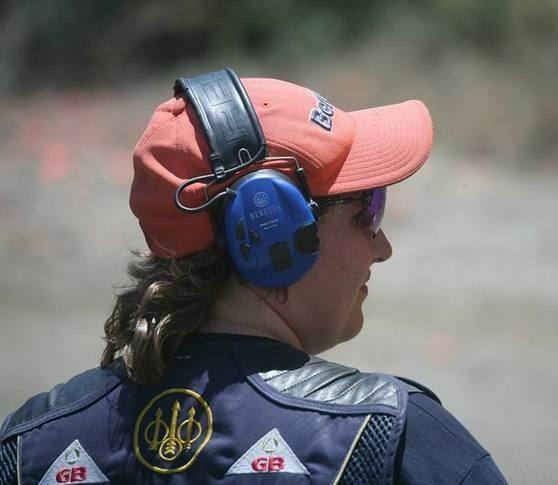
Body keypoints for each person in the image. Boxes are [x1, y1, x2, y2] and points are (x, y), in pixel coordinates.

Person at [0, 69, 507, 484]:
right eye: (367, 209)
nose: (382, 247)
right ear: (272, 230)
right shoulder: (393, 436)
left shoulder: (28, 445)